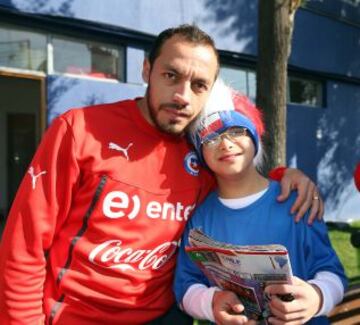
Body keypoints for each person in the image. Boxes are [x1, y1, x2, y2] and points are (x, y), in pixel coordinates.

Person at [0, 24, 322, 324]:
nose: (183, 96)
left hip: (167, 315)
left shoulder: (202, 150)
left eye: (198, 86)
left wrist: (284, 175)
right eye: (171, 75)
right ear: (146, 70)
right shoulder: (80, 130)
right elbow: (23, 246)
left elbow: (242, 178)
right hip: (76, 315)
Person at [174, 79, 347, 325]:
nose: (225, 143)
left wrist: (317, 297)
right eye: (211, 137)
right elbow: (186, 284)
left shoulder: (297, 201)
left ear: (254, 136)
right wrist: (210, 303)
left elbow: (332, 272)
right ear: (200, 153)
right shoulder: (200, 217)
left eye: (236, 131)